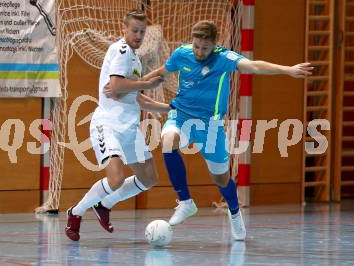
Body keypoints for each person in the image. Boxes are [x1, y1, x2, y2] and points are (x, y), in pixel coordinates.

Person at [105, 20, 313, 241]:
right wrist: (130, 85)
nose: (199, 52)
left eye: (204, 48)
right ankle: (185, 202)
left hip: (210, 125)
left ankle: (234, 212)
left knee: (221, 178)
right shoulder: (182, 53)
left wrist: (288, 70)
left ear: (215, 44)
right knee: (167, 141)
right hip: (181, 115)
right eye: (196, 46)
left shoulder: (224, 59)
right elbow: (161, 73)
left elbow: (254, 66)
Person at [65, 10, 169, 241]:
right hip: (108, 125)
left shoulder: (133, 58)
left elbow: (135, 96)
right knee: (116, 179)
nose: (139, 35)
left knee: (149, 178)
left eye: (142, 31)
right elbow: (117, 86)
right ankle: (76, 212)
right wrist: (144, 82)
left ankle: (104, 204)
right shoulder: (121, 50)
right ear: (124, 29)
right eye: (135, 30)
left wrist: (168, 108)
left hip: (129, 129)